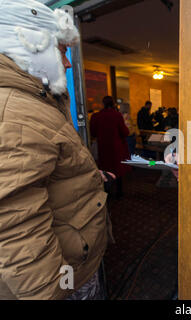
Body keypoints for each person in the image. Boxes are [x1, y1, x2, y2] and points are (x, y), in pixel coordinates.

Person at [0, 0, 114, 300]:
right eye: (61, 51)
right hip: (63, 282)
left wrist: (89, 178)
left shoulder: (38, 101)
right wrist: (55, 293)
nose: (67, 63)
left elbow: (43, 173)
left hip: (76, 262)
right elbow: (17, 228)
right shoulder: (14, 112)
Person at [90, 96, 131, 198]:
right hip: (116, 148)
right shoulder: (117, 115)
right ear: (113, 104)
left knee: (105, 168)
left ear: (103, 104)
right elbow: (125, 132)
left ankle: (107, 192)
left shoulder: (96, 116)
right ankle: (119, 192)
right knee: (118, 170)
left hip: (103, 148)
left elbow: (93, 133)